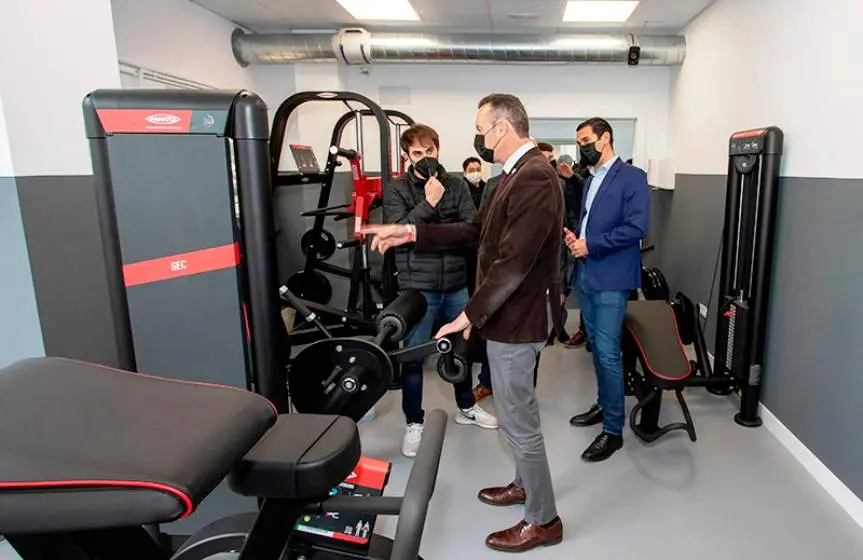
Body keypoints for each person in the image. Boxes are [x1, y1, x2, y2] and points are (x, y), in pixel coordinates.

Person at [364, 94, 564, 553]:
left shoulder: (534, 177)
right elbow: (476, 233)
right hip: (506, 317)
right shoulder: (510, 176)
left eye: (481, 127)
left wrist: (467, 315)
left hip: (519, 321)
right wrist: (411, 231)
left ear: (502, 128)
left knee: (519, 421)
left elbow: (513, 264)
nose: (477, 136)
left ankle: (543, 520)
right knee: (517, 419)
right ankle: (525, 485)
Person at [383, 123, 497, 459]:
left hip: (456, 285)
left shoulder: (458, 184)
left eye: (429, 151)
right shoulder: (396, 189)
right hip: (418, 286)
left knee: (461, 350)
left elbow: (470, 230)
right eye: (417, 153)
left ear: (438, 150)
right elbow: (398, 231)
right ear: (407, 156)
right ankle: (413, 422)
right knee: (414, 357)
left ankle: (466, 407)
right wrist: (429, 205)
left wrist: (426, 229)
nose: (424, 158)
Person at [563, 117, 650, 462]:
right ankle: (604, 404)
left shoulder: (632, 177)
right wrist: (576, 237)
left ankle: (613, 431)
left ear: (605, 138)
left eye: (586, 140)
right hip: (586, 273)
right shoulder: (591, 179)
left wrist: (592, 245)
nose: (582, 146)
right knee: (597, 346)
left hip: (612, 276)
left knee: (609, 352)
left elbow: (636, 228)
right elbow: (588, 219)